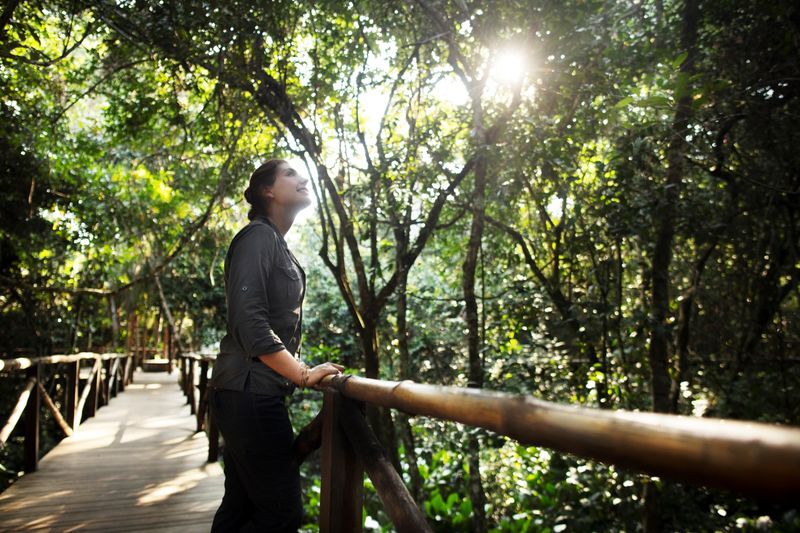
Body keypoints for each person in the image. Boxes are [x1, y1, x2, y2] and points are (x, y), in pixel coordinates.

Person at [208, 158, 345, 532]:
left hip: (245, 392)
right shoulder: (258, 237)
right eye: (290, 174)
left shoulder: (274, 242)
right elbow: (249, 323)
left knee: (240, 506)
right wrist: (302, 373)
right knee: (281, 514)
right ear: (268, 191)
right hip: (248, 392)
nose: (302, 179)